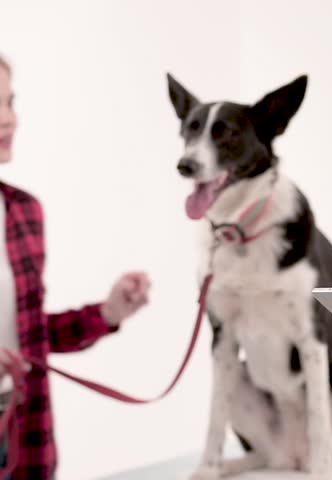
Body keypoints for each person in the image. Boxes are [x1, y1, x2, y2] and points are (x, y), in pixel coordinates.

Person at [0, 54, 151, 479]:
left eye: (11, 102)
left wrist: (106, 314)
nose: (11, 119)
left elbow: (28, 334)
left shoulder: (24, 213)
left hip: (22, 435)